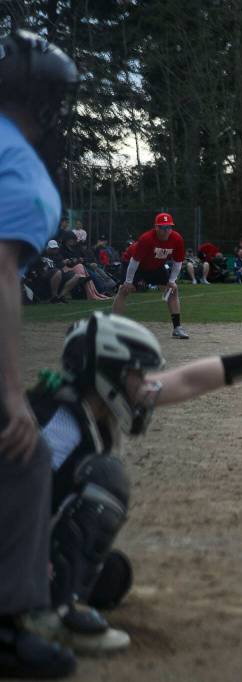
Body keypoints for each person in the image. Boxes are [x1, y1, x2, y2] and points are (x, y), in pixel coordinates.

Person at [21, 312, 242, 654]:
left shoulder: (82, 410)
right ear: (106, 372)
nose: (146, 383)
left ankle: (35, 591)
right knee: (105, 478)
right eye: (136, 374)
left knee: (110, 577)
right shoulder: (56, 424)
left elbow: (187, 381)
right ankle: (48, 617)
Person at [0, 29, 79, 679]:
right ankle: (14, 620)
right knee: (27, 451)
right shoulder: (19, 167)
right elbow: (0, 274)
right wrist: (9, 393)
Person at [112, 212, 189, 338]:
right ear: (156, 227)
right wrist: (129, 281)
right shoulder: (146, 238)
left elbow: (178, 262)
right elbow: (134, 260)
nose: (166, 231)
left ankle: (177, 328)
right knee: (123, 290)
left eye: (169, 227)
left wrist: (172, 281)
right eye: (162, 227)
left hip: (156, 266)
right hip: (135, 264)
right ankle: (114, 327)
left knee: (173, 290)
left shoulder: (177, 239)